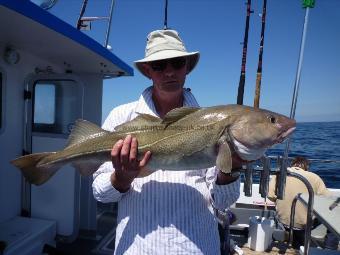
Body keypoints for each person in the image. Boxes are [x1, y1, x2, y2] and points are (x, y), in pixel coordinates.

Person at [92, 29, 242, 255]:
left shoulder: (213, 124)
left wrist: (230, 170)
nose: (169, 72)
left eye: (177, 63)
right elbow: (100, 193)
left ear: (186, 67)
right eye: (159, 65)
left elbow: (222, 202)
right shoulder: (121, 117)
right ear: (147, 70)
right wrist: (120, 179)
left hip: (196, 248)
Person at [267, 156, 331, 249]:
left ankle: (290, 237)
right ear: (306, 166)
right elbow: (327, 199)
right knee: (332, 214)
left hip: (282, 221)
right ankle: (330, 248)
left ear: (292, 164)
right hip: (303, 224)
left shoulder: (280, 174)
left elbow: (270, 195)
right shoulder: (314, 177)